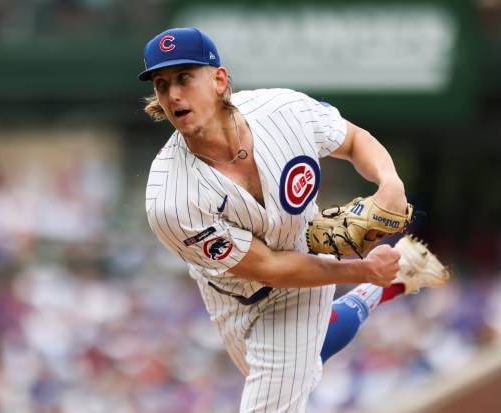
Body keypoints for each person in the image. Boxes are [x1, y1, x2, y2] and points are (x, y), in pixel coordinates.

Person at [138, 27, 449, 413]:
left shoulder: (282, 111)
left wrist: (389, 182)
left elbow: (353, 141)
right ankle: (390, 282)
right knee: (306, 357)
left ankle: (382, 284)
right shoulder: (170, 199)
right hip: (233, 292)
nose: (173, 95)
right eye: (162, 83)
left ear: (219, 80)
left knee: (276, 392)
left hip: (305, 248)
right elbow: (269, 268)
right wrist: (366, 274)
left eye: (184, 77)